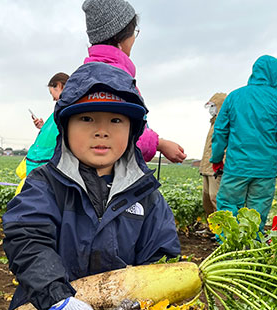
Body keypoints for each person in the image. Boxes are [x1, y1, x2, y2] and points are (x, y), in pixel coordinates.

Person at [0, 62, 181, 310]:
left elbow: (163, 256)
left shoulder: (148, 196)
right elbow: (26, 239)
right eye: (87, 119)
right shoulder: (44, 186)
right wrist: (56, 299)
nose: (102, 131)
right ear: (64, 127)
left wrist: (150, 307)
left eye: (116, 121)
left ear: (133, 129)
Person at [82, 0, 186, 164]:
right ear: (118, 37)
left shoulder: (88, 73)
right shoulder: (113, 77)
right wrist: (160, 144)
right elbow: (118, 136)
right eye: (133, 33)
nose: (133, 40)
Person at [211, 55, 277, 230]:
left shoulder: (234, 97)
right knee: (257, 214)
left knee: (228, 211)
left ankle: (227, 249)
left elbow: (220, 132)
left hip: (237, 167)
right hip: (266, 170)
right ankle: (250, 252)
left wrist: (216, 159)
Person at [25, 72, 70, 175]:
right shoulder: (62, 109)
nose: (53, 98)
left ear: (59, 85)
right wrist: (43, 127)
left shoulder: (65, 109)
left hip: (46, 165)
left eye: (52, 92)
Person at [198, 93, 227, 217]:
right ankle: (212, 228)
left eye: (213, 106)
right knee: (206, 200)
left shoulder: (224, 124)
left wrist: (222, 164)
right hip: (207, 168)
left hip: (216, 168)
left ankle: (221, 231)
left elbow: (224, 147)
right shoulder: (213, 124)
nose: (211, 109)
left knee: (215, 198)